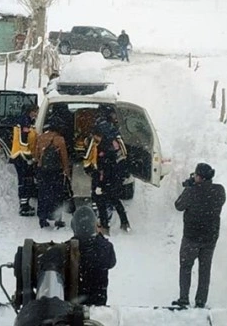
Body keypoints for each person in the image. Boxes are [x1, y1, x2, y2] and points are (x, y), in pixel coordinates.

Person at [171, 163, 226, 309]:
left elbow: (178, 206)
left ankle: (184, 298)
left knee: (186, 266)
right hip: (210, 237)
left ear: (199, 177)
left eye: (195, 175)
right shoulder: (219, 191)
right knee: (205, 268)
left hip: (192, 236)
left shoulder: (191, 192)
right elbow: (218, 201)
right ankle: (201, 301)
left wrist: (189, 188)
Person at [90, 106, 131, 235]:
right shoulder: (114, 133)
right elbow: (123, 154)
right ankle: (125, 223)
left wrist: (98, 180)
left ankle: (104, 227)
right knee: (114, 199)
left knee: (100, 200)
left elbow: (96, 159)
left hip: (104, 174)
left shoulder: (100, 140)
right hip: (115, 173)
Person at [69, 205, 117, 306]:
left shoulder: (68, 248)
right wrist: (100, 237)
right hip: (98, 302)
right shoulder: (105, 247)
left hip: (73, 302)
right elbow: (112, 263)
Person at [33, 115, 71, 229]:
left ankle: (42, 218)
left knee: (43, 194)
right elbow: (64, 157)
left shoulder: (40, 138)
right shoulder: (60, 139)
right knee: (57, 195)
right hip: (56, 172)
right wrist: (66, 171)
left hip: (43, 171)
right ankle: (57, 219)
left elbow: (36, 156)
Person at [10, 103, 39, 216]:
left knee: (26, 180)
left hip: (22, 155)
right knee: (24, 180)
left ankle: (25, 203)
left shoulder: (27, 121)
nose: (36, 114)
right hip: (21, 156)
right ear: (30, 111)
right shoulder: (24, 121)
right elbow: (23, 141)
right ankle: (23, 206)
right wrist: (29, 157)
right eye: (35, 111)